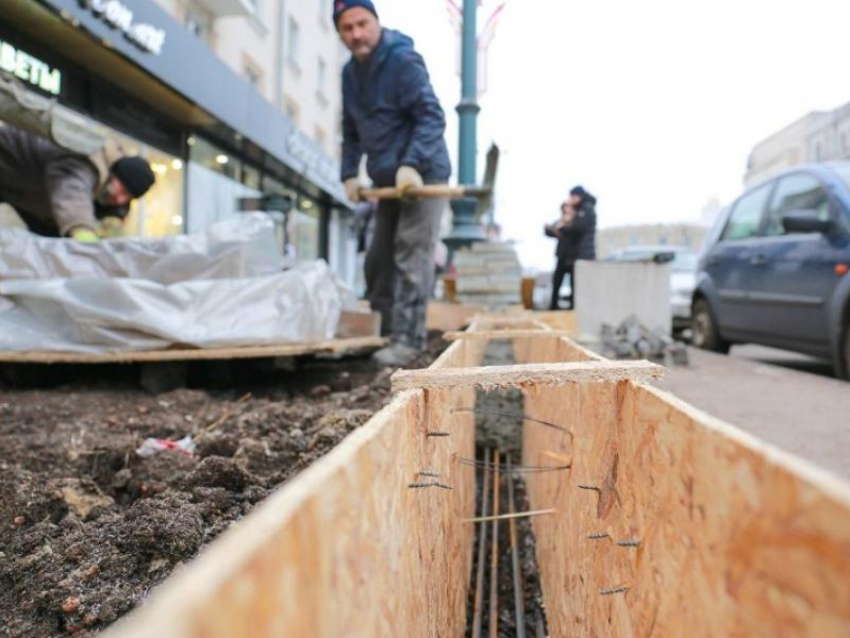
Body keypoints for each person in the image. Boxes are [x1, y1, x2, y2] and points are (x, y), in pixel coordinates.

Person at [335, 0, 451, 367]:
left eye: (361, 24)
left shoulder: (402, 60)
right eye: (346, 28)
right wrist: (349, 173)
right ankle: (384, 333)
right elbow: (350, 131)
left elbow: (431, 116)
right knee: (379, 259)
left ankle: (409, 340)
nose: (356, 34)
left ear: (376, 22)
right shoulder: (349, 75)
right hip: (387, 181)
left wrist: (412, 164)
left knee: (409, 253)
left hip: (423, 174)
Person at [0, 124, 155, 241]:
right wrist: (83, 232)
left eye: (128, 197)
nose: (120, 199)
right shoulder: (90, 159)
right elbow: (71, 190)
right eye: (124, 190)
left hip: (16, 188)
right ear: (116, 174)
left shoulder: (106, 203)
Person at [545, 185, 597, 310]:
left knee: (576, 284)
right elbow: (553, 231)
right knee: (557, 283)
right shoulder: (563, 220)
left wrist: (562, 229)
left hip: (576, 255)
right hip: (563, 255)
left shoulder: (586, 210)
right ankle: (554, 306)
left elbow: (577, 228)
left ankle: (574, 308)